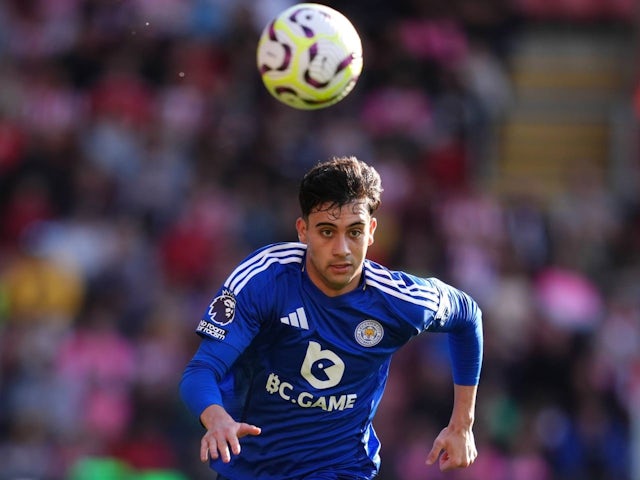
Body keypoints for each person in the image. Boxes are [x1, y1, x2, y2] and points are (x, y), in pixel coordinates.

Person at [179, 156, 483, 480]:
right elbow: (202, 369)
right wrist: (216, 418)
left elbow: (467, 316)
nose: (342, 249)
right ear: (303, 231)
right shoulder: (265, 280)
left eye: (354, 231)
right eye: (326, 231)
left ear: (371, 232)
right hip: (251, 466)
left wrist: (462, 423)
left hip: (340, 468)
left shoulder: (398, 300)